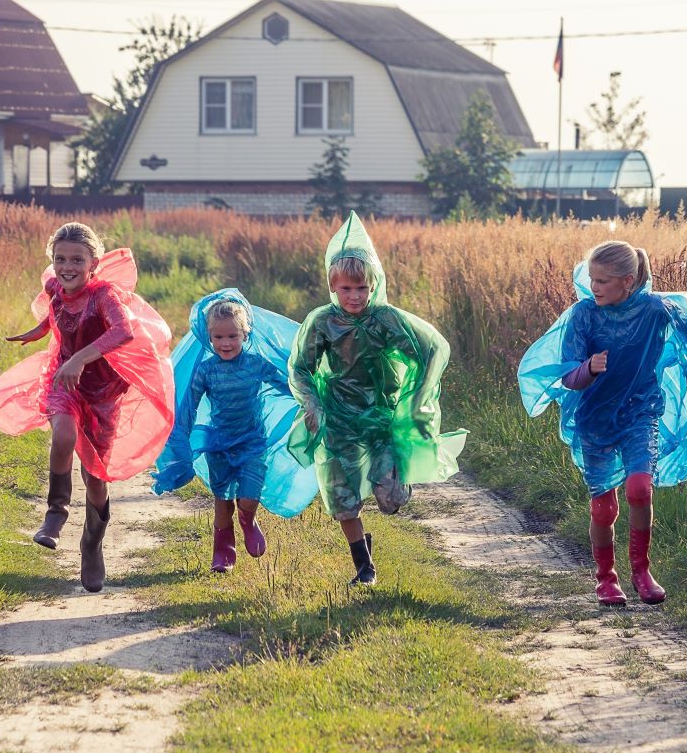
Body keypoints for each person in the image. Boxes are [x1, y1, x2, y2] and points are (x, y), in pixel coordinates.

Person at [0, 222, 175, 593]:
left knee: (96, 478)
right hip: (63, 382)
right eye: (60, 258)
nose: (68, 266)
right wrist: (40, 331)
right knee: (62, 433)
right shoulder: (55, 286)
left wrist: (80, 357)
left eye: (77, 260)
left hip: (103, 392)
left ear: (93, 263)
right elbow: (58, 312)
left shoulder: (105, 296)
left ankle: (92, 544)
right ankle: (55, 513)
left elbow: (123, 332)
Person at [518, 240, 687, 606]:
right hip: (594, 419)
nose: (593, 287)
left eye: (602, 280)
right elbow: (568, 377)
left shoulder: (656, 309)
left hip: (640, 413)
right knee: (603, 507)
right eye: (592, 279)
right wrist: (588, 369)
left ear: (627, 281)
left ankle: (642, 572)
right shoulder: (584, 315)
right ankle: (606, 580)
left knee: (640, 489)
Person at [288, 211, 467, 586]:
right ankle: (364, 567)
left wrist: (417, 397)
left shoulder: (385, 319)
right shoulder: (322, 322)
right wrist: (313, 405)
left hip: (379, 417)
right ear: (333, 287)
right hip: (337, 420)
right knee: (343, 499)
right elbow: (300, 369)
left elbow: (431, 349)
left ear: (373, 286)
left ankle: (398, 485)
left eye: (361, 289)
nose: (354, 297)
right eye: (346, 289)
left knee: (390, 499)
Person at [152, 289, 318, 573]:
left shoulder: (255, 364)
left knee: (249, 495)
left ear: (245, 334)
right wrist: (181, 438)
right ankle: (223, 549)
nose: (225, 343)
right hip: (220, 444)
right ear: (208, 337)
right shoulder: (206, 370)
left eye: (232, 336)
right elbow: (189, 405)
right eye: (218, 337)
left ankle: (249, 519)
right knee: (222, 501)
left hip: (253, 442)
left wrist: (310, 399)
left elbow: (285, 383)